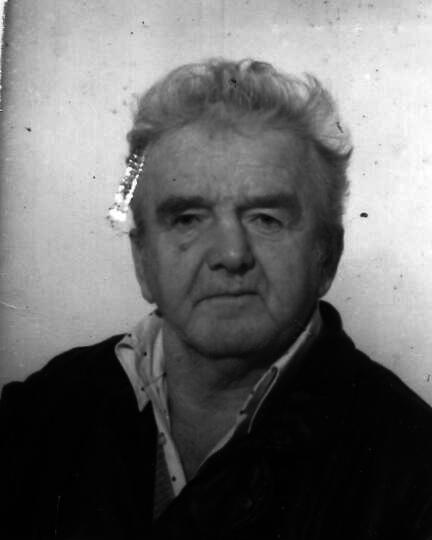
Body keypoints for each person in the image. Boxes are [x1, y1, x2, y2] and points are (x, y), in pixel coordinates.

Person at [1, 58, 432, 540]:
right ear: (142, 262)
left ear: (326, 257)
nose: (231, 254)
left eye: (266, 218)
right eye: (188, 219)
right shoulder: (33, 417)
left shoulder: (415, 469)